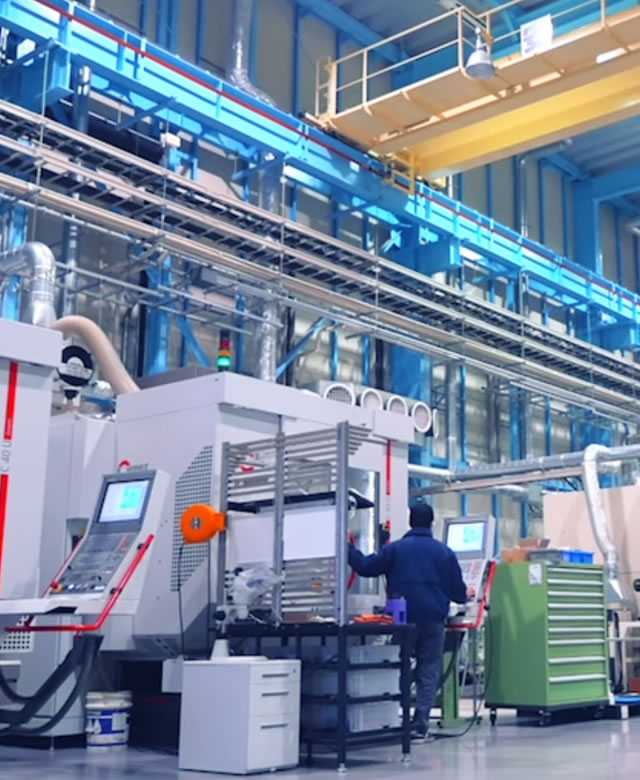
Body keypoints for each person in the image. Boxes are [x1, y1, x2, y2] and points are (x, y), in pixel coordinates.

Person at [348, 503, 470, 742]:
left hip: (402, 619)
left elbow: (365, 567)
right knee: (429, 669)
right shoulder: (445, 553)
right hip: (433, 620)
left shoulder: (395, 550)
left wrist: (347, 548)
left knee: (399, 667)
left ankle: (395, 716)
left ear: (410, 522)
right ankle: (420, 723)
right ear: (432, 523)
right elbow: (459, 594)